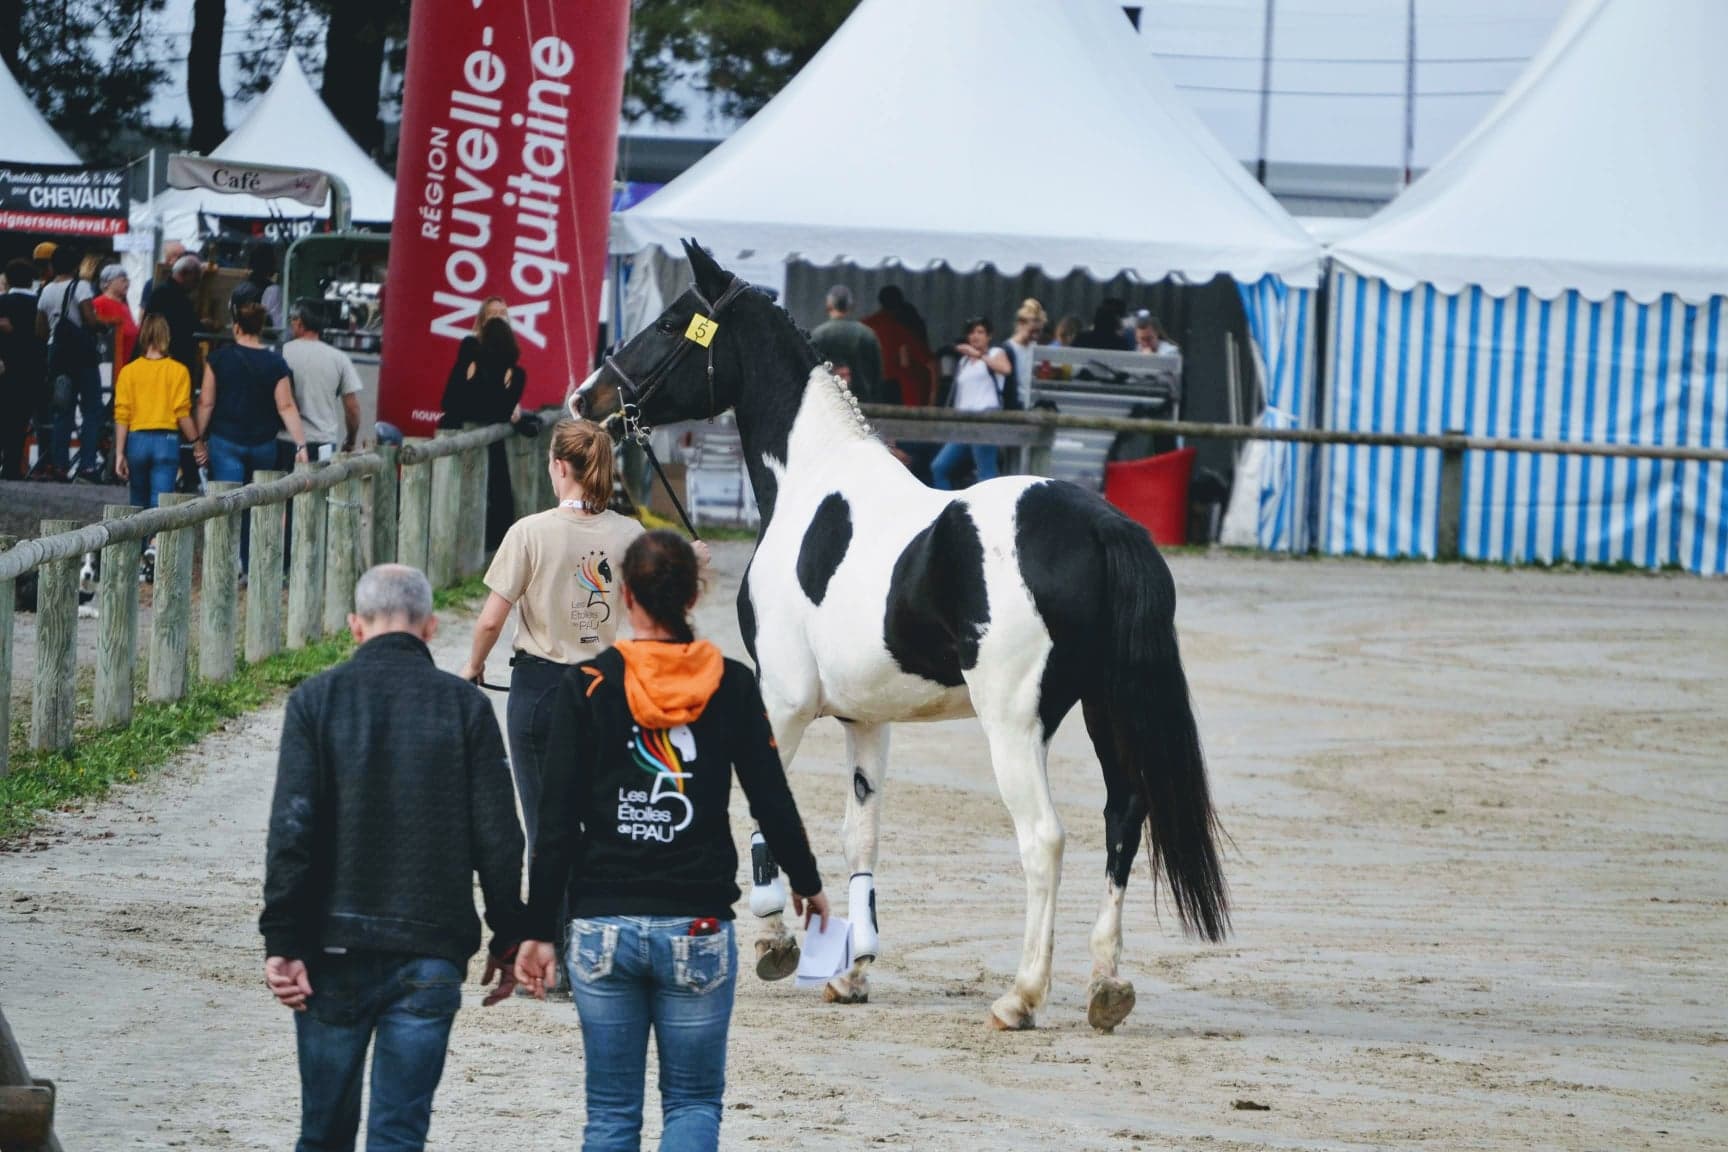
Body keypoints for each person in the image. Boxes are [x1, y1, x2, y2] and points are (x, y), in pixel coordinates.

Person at [516, 530, 829, 1152]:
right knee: (691, 1104)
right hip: (696, 924)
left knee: (610, 1116)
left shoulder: (588, 684)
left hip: (602, 925)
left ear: (625, 595)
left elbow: (555, 821)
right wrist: (808, 883)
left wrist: (536, 930)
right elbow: (770, 796)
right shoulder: (733, 685)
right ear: (695, 594)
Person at [262, 564, 526, 1152]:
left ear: (356, 627)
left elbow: (292, 830)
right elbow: (500, 838)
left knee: (322, 1133)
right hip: (429, 951)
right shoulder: (465, 708)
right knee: (400, 1135)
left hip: (330, 948)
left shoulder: (315, 701)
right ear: (430, 628)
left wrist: (282, 940)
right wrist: (510, 934)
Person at [460, 418, 646, 858]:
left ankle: (554, 926)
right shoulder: (631, 534)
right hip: (603, 690)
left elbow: (490, 622)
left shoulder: (529, 532)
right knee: (599, 824)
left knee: (547, 830)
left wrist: (474, 665)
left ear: (560, 467)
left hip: (540, 690)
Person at [197, 302, 307, 567]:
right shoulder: (275, 362)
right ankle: (249, 562)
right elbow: (286, 405)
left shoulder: (218, 359)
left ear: (235, 327)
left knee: (225, 503)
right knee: (254, 506)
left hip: (225, 439)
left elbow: (206, 403)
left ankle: (223, 562)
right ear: (260, 328)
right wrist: (301, 444)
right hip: (263, 443)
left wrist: (197, 438)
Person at [440, 302, 525, 550]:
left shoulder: (512, 368)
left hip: (485, 430)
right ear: (482, 319)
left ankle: (490, 542)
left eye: (502, 314)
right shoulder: (471, 349)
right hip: (469, 429)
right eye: (493, 315)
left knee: (493, 489)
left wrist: (514, 406)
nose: (498, 319)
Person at [114, 314, 203, 511]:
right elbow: (182, 413)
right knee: (160, 505)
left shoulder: (128, 372)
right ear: (167, 337)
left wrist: (119, 453)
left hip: (136, 440)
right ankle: (156, 542)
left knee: (137, 504)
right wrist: (197, 443)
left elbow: (122, 415)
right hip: (167, 440)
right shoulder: (178, 371)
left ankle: (139, 542)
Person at [35, 244, 104, 483]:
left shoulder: (46, 291)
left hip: (58, 355)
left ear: (53, 265)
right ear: (76, 266)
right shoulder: (81, 286)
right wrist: (100, 325)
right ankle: (87, 466)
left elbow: (40, 330)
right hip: (82, 356)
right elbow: (89, 319)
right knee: (92, 410)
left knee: (62, 411)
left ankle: (60, 465)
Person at [932, 316, 1013, 490]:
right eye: (971, 332)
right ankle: (947, 508)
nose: (975, 336)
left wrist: (979, 355)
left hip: (985, 418)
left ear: (989, 336)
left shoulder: (995, 353)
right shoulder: (964, 361)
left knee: (985, 472)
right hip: (963, 422)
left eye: (980, 332)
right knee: (939, 467)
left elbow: (1006, 369)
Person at [280, 300, 363, 463]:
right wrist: (351, 439)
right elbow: (352, 409)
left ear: (299, 323)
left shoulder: (283, 352)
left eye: (292, 319)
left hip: (285, 439)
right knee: (319, 487)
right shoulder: (339, 359)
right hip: (323, 441)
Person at [0, 258, 45, 479]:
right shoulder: (38, 302)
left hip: (6, 366)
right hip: (33, 368)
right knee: (21, 420)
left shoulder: (3, 302)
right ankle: (13, 466)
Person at [863, 285, 937, 407]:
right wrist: (933, 401)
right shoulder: (900, 330)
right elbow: (932, 364)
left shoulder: (865, 325)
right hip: (898, 393)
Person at [809, 285, 885, 404]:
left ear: (828, 305)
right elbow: (877, 376)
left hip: (827, 403)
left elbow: (808, 371)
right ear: (851, 307)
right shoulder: (868, 335)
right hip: (862, 405)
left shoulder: (818, 335)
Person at [1001, 298, 1046, 411]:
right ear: (1021, 324)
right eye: (1032, 331)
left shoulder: (1036, 348)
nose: (1035, 336)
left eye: (1038, 332)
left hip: (1031, 404)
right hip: (1013, 406)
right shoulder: (1007, 349)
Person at [92, 264, 138, 370]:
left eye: (127, 279)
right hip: (108, 367)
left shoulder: (124, 305)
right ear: (108, 283)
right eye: (123, 279)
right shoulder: (99, 303)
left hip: (127, 366)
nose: (127, 283)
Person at [139, 240, 186, 314]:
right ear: (169, 260)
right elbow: (143, 314)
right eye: (180, 257)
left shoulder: (190, 281)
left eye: (185, 256)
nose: (185, 260)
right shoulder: (152, 284)